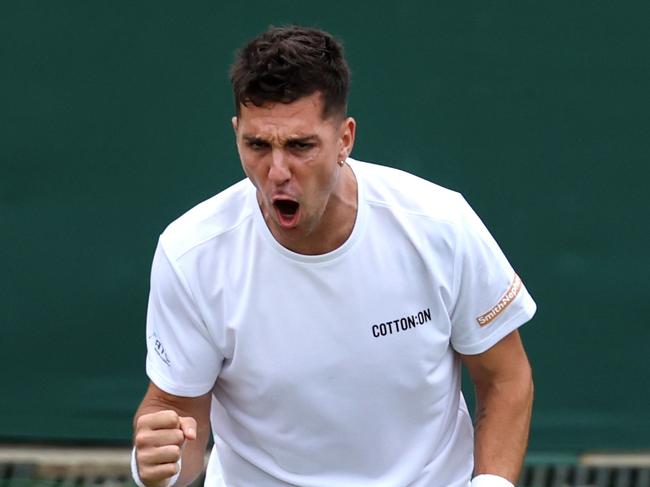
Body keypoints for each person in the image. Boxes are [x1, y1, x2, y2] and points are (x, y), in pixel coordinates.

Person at [132, 25, 536, 487]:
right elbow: (178, 413)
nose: (277, 172)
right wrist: (159, 463)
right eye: (257, 145)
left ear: (345, 139)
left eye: (301, 146)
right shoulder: (190, 253)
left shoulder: (440, 223)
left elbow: (507, 379)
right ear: (235, 133)